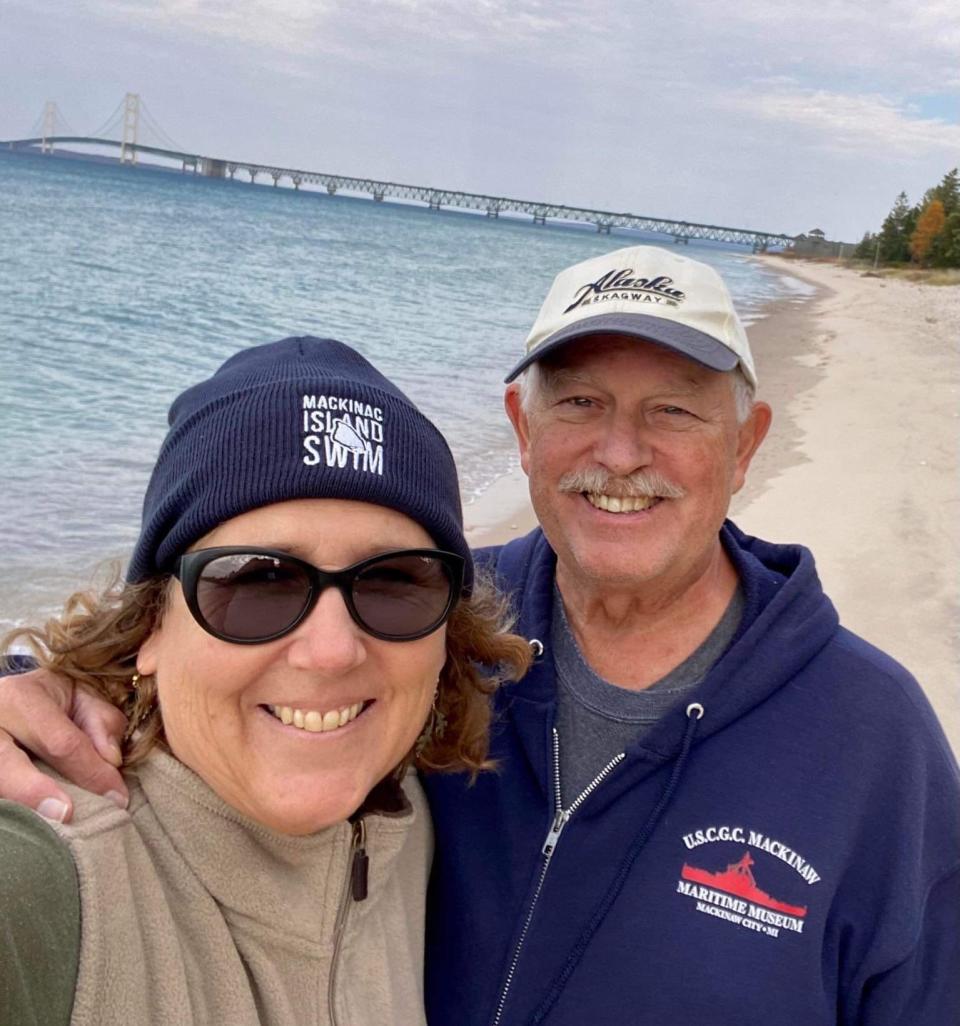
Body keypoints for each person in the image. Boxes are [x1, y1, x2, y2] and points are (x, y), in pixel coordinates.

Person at [2, 246, 959, 1025]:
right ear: (520, 428)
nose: (621, 452)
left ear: (745, 443)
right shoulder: (425, 628)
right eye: (580, 401)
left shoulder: (877, 743)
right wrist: (30, 685)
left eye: (673, 409)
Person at [0, 335, 530, 1026]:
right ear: (151, 625)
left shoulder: (416, 825)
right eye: (257, 582)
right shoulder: (44, 882)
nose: (333, 651)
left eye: (397, 581)